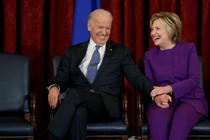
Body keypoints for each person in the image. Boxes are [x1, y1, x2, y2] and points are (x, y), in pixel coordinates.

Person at [47, 9, 161, 140]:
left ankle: (53, 136)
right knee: (79, 113)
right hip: (80, 104)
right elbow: (61, 78)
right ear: (89, 26)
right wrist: (54, 86)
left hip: (106, 105)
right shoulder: (73, 52)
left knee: (73, 94)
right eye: (100, 27)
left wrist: (155, 93)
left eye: (108, 28)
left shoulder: (120, 52)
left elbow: (136, 78)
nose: (104, 32)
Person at [144, 11, 208, 140]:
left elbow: (194, 79)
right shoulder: (149, 56)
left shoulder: (189, 49)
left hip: (191, 100)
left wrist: (169, 88)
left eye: (157, 28)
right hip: (162, 100)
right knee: (157, 121)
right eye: (152, 29)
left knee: (180, 122)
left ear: (170, 29)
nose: (152, 33)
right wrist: (158, 96)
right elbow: (149, 85)